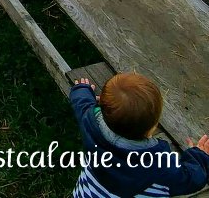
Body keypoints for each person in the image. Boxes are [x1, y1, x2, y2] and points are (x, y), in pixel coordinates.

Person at [69, 73, 209, 197]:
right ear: (150, 129)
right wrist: (200, 156)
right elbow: (192, 179)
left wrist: (82, 89)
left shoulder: (90, 125)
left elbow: (82, 104)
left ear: (102, 107)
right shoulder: (160, 167)